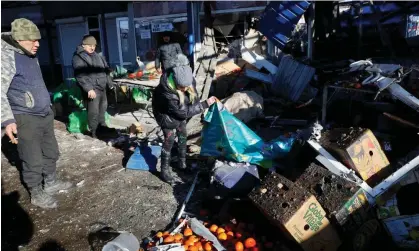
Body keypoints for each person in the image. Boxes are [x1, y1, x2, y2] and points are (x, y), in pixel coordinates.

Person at [1, 18, 72, 209]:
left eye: (38, 39)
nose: (37, 43)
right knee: (32, 158)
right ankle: (36, 192)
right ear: (19, 39)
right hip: (25, 117)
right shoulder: (6, 56)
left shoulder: (30, 54)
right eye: (33, 40)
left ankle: (50, 183)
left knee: (51, 152)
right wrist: (7, 120)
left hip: (44, 113)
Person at [152, 54, 216, 185]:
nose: (186, 89)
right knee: (169, 141)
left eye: (187, 86)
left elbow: (193, 95)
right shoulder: (167, 93)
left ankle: (182, 164)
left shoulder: (187, 79)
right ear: (175, 82)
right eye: (182, 88)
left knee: (183, 135)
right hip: (166, 117)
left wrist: (197, 100)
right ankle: (164, 171)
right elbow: (183, 113)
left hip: (180, 111)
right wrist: (204, 105)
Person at [72, 35, 113, 138]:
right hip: (92, 90)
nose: (92, 47)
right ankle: (94, 133)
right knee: (93, 113)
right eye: (89, 45)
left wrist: (110, 83)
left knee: (102, 110)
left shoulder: (98, 55)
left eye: (94, 45)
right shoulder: (78, 57)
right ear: (83, 45)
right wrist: (89, 89)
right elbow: (80, 75)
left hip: (102, 88)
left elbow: (105, 70)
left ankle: (102, 129)